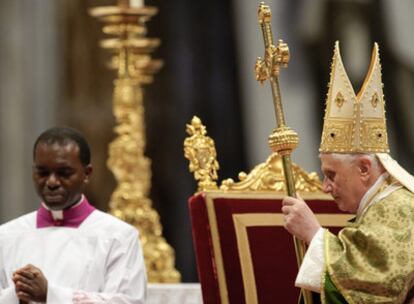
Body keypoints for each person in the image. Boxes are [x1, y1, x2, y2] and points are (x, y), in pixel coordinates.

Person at [282, 41, 414, 303]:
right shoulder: (383, 207)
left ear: (364, 168)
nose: (325, 187)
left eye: (331, 175)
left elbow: (376, 290)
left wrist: (313, 233)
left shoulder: (396, 210)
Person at [0, 127, 147, 304]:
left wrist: (51, 294)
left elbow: (129, 301)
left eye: (64, 173)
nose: (52, 182)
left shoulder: (119, 236)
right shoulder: (6, 235)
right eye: (43, 173)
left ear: (87, 174)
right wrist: (17, 294)